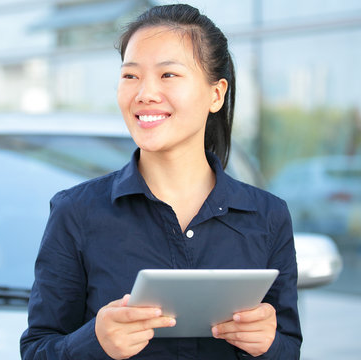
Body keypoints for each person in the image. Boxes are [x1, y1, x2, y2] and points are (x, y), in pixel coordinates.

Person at [21, 3, 302, 359]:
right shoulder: (76, 212)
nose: (144, 93)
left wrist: (268, 346)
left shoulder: (268, 217)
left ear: (216, 94)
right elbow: (37, 349)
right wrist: (95, 342)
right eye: (130, 76)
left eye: (168, 75)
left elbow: (289, 347)